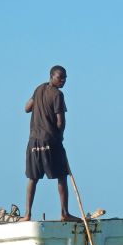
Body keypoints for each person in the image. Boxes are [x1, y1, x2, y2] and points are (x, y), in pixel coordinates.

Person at [20, 65, 80, 222]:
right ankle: (64, 213)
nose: (63, 81)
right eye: (60, 78)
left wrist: (38, 103)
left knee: (33, 178)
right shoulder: (58, 95)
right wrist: (60, 138)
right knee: (62, 176)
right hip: (51, 140)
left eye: (65, 78)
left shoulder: (39, 88)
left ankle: (27, 214)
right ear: (52, 76)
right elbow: (61, 121)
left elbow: (27, 108)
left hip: (33, 142)